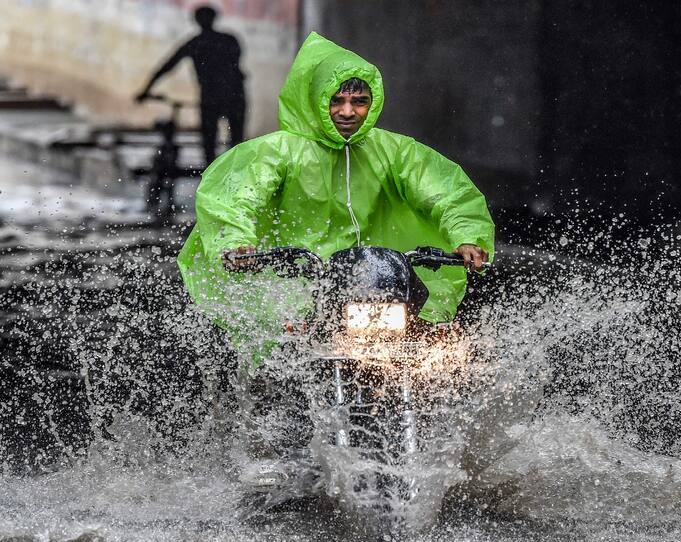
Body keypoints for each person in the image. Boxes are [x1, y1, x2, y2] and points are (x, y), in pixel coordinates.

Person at [177, 32, 495, 333]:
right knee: (279, 357)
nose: (347, 111)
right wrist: (236, 243)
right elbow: (235, 200)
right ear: (317, 99)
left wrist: (468, 237)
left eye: (359, 101)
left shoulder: (397, 152)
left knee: (436, 357)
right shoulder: (277, 152)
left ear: (374, 103)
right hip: (298, 284)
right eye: (336, 100)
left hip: (381, 282)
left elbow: (446, 194)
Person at [135, 5, 247, 165]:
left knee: (209, 143)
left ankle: (211, 177)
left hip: (211, 96)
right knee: (236, 142)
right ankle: (234, 175)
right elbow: (237, 67)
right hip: (235, 95)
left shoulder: (195, 43)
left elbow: (167, 66)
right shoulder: (229, 39)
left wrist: (145, 91)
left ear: (196, 20)